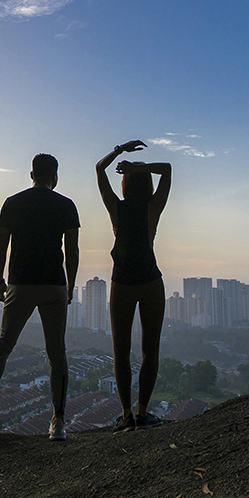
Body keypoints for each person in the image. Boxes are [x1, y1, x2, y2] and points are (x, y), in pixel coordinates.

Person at [0, 153, 80, 441]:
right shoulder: (66, 205)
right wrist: (70, 287)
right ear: (54, 176)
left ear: (31, 174)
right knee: (56, 353)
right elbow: (72, 251)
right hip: (53, 285)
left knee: (3, 345)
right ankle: (58, 422)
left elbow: (0, 246)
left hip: (20, 283)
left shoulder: (12, 203)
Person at [96, 140, 172, 431]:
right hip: (151, 281)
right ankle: (141, 412)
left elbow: (99, 169)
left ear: (125, 184)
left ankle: (127, 414)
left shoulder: (116, 207)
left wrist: (120, 151)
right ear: (147, 185)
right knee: (149, 350)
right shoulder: (154, 206)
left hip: (123, 282)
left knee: (121, 351)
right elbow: (166, 169)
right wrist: (139, 167)